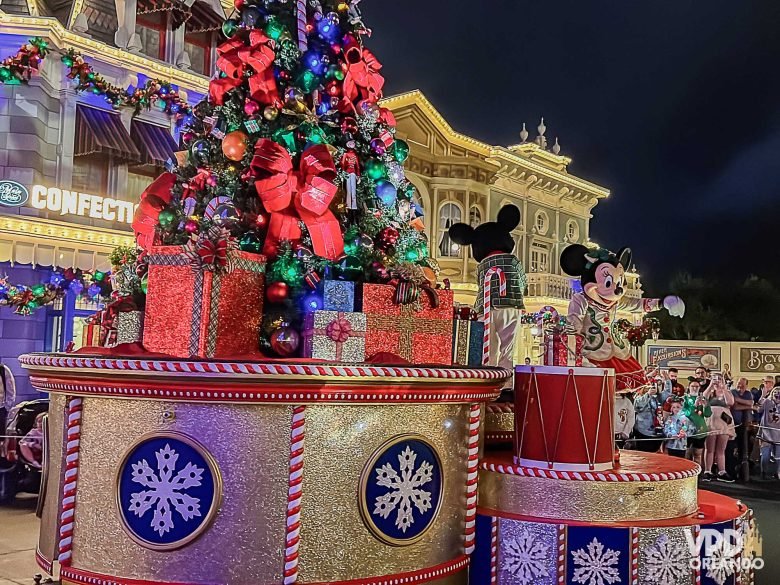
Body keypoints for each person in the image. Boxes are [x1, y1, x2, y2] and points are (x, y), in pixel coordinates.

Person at [702, 374, 736, 482]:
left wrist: (724, 387)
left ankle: (722, 471)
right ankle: (707, 471)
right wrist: (711, 385)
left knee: (721, 449)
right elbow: (703, 398)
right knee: (709, 448)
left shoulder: (727, 392)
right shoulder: (709, 392)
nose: (717, 381)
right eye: (715, 378)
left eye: (719, 379)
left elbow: (730, 402)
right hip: (711, 421)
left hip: (724, 422)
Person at [731, 377, 758, 479]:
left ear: (746, 385)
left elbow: (750, 403)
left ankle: (742, 469)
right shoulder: (732, 392)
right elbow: (735, 406)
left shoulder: (748, 393)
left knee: (744, 446)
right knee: (732, 447)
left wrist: (741, 402)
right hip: (732, 424)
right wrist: (749, 406)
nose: (740, 385)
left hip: (744, 424)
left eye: (742, 384)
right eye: (738, 383)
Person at [683, 379, 710, 471]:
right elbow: (685, 413)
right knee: (685, 454)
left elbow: (708, 414)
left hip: (700, 430)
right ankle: (685, 472)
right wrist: (694, 405)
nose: (694, 388)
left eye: (697, 386)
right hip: (687, 430)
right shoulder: (685, 399)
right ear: (689, 387)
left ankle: (697, 474)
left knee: (697, 454)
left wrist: (706, 406)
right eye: (692, 386)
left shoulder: (703, 398)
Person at [758, 387, 780, 479]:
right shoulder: (767, 402)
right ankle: (763, 472)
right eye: (775, 391)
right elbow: (759, 409)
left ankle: (777, 472)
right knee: (765, 455)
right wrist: (763, 395)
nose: (777, 393)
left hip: (778, 434)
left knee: (778, 457)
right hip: (766, 433)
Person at [633, 384, 662, 452]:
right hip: (642, 430)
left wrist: (666, 380)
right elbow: (638, 406)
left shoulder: (656, 398)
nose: (650, 389)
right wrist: (647, 394)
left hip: (656, 430)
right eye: (648, 388)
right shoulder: (638, 398)